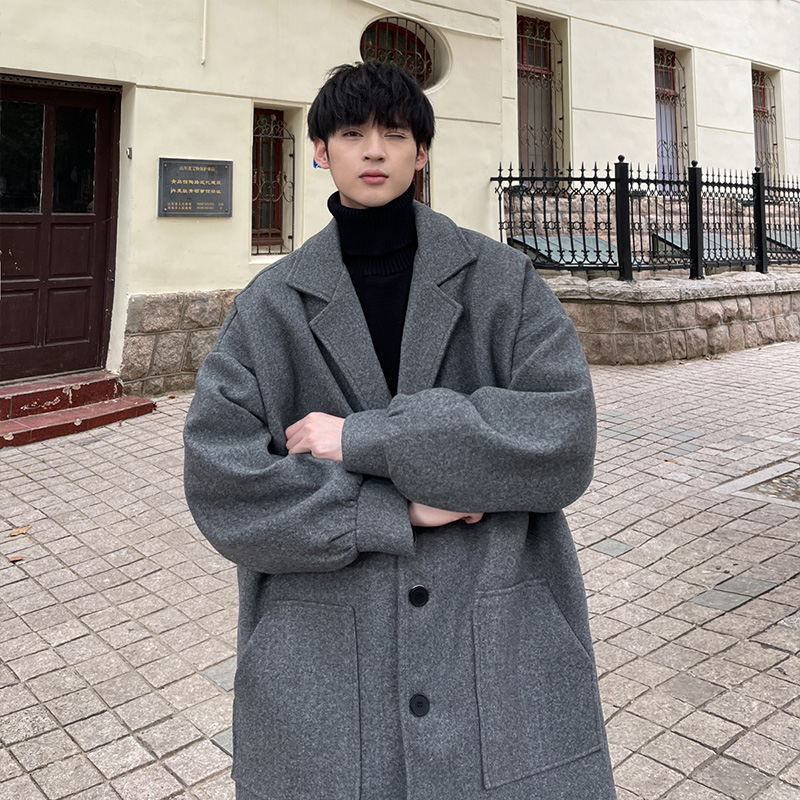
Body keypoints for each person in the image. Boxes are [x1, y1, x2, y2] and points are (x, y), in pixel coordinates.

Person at [184, 60, 616, 800]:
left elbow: (562, 439)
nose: (375, 151)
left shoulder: (503, 281)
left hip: (497, 635)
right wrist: (394, 509)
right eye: (353, 133)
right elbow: (223, 485)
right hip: (325, 653)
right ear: (319, 150)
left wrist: (364, 439)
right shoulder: (268, 307)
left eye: (395, 133)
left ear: (423, 151)